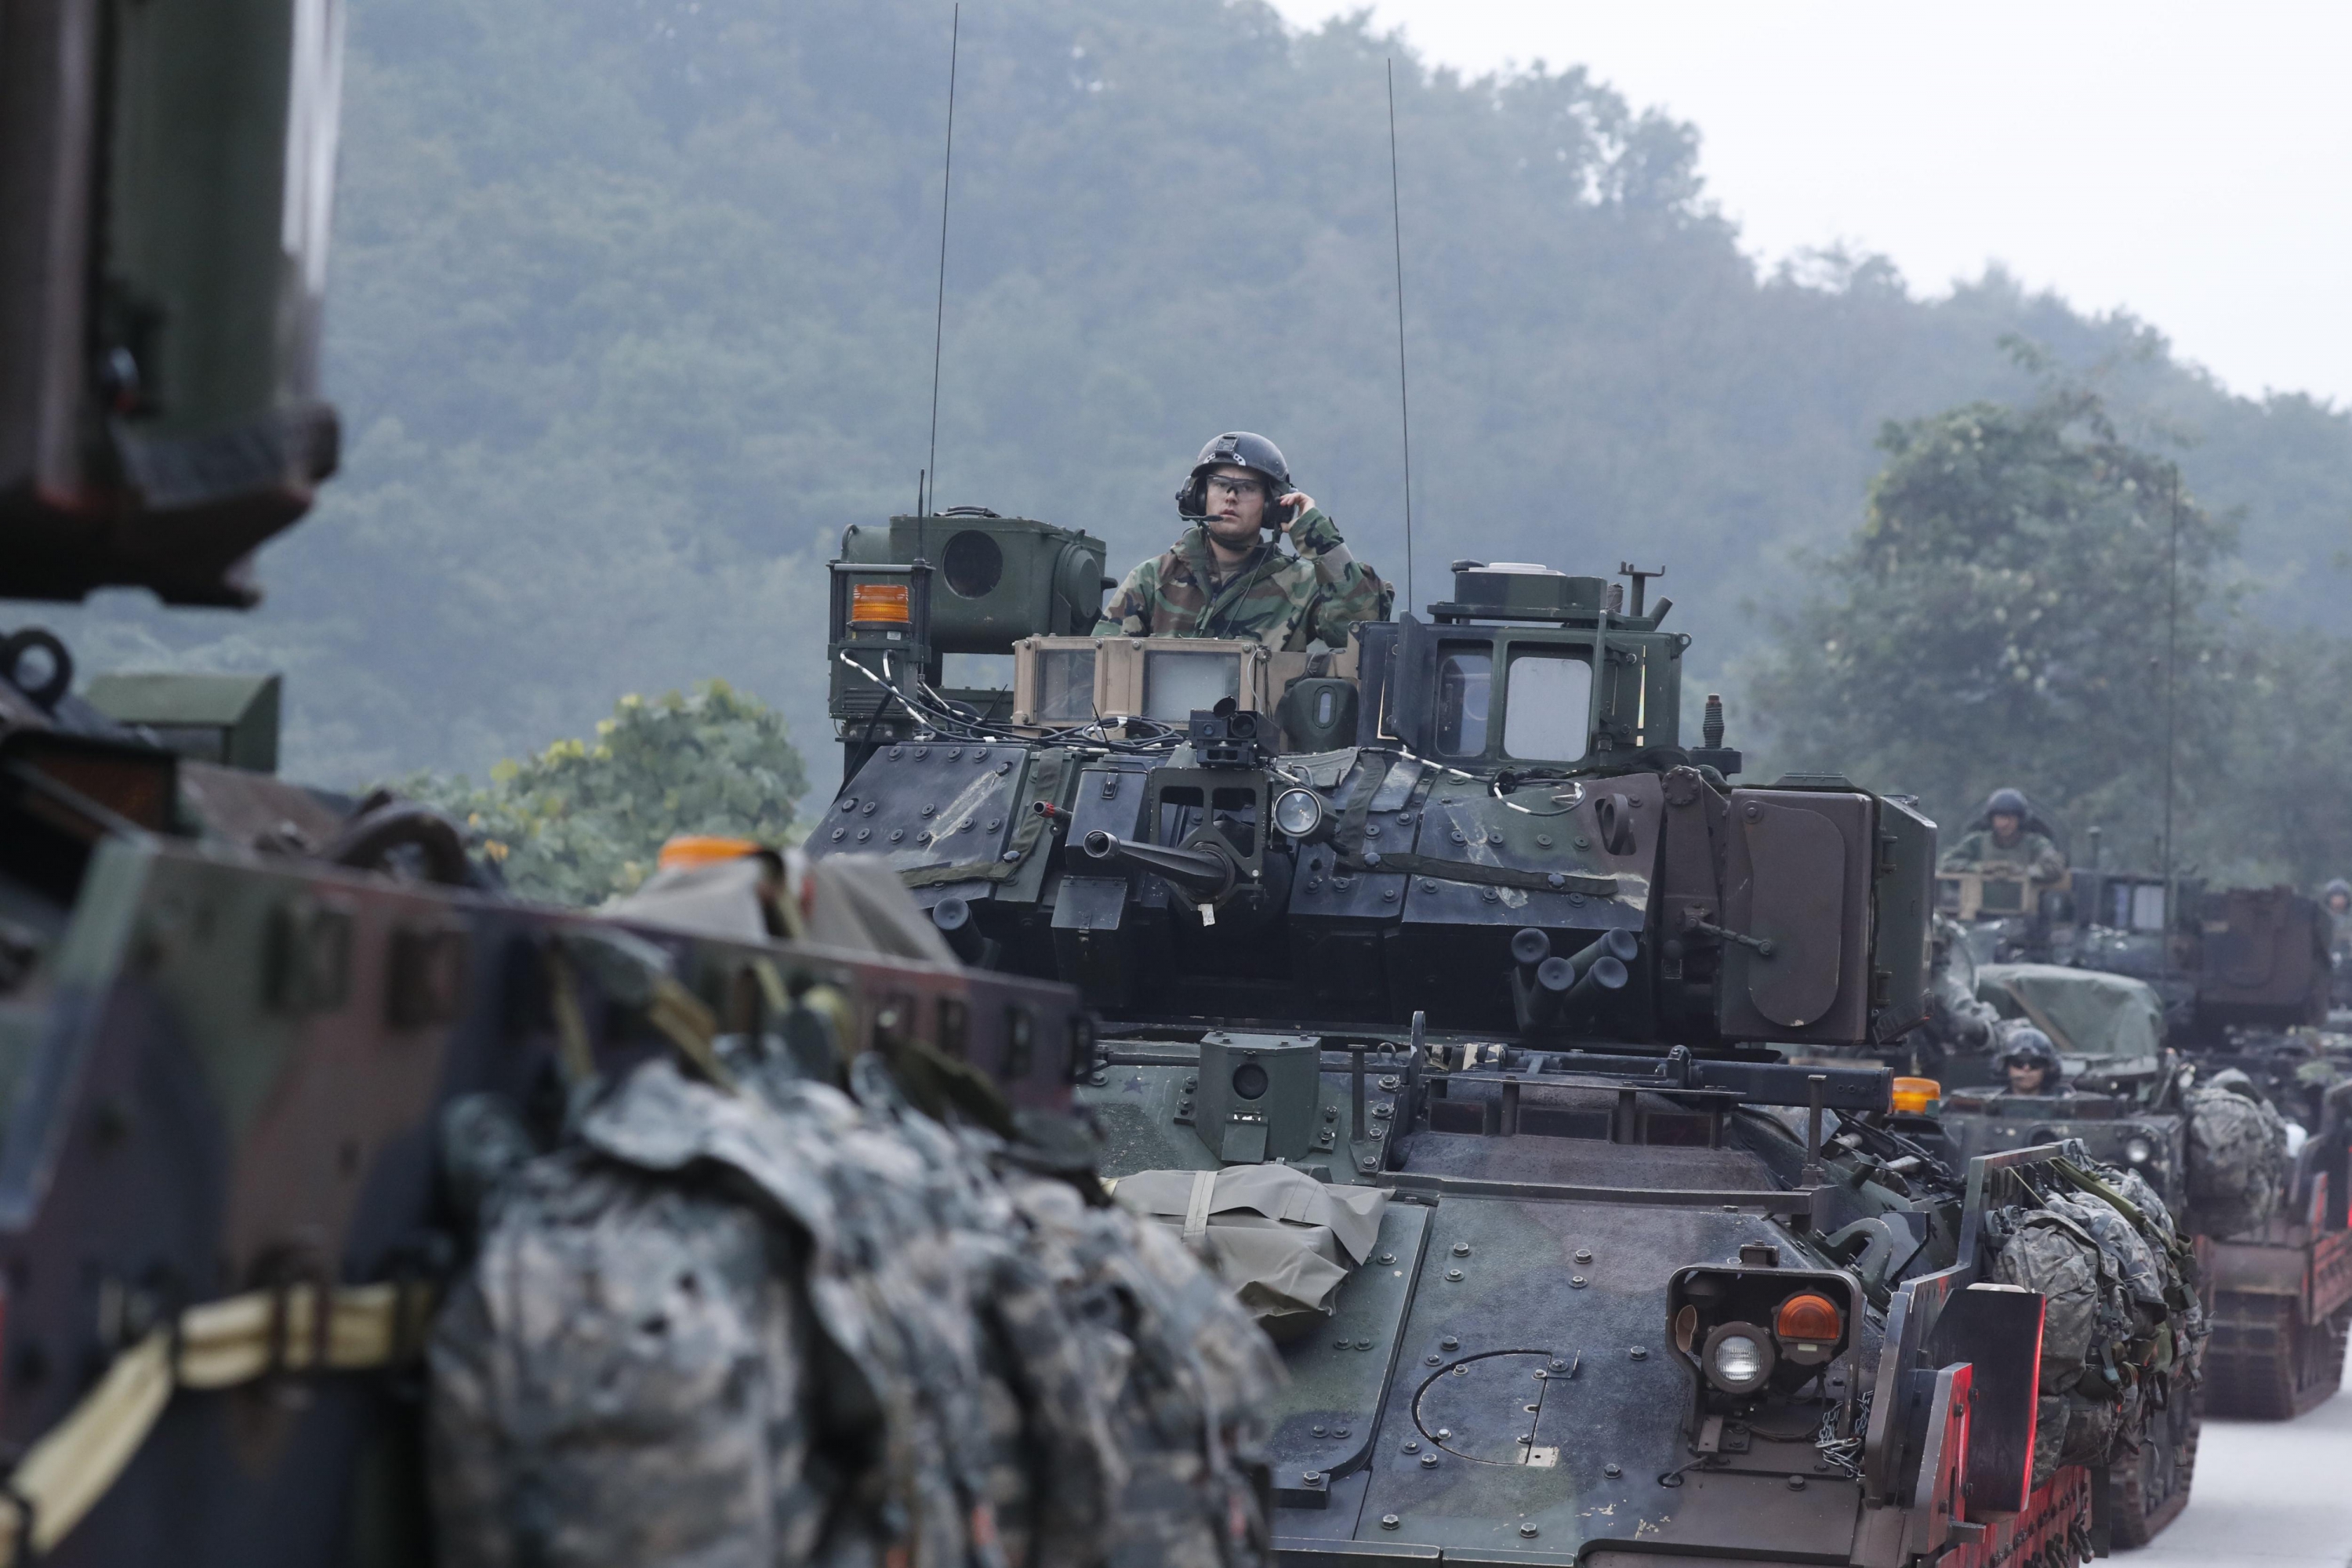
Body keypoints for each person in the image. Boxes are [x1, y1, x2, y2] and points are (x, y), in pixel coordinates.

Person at [1095, 431, 1392, 648]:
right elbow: (1100, 667)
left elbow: (1359, 631)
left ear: (1272, 503)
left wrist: (1320, 539)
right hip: (1158, 734)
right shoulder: (1153, 579)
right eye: (1221, 484)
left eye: (1247, 488)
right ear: (1200, 496)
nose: (1231, 497)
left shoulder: (1302, 586)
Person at [1940, 788, 2067, 884]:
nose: (2005, 824)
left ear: (2020, 820)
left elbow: (2055, 867)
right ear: (1991, 819)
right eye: (2000, 817)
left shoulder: (2035, 844)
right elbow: (1947, 863)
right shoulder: (1977, 842)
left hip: (2029, 910)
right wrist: (1981, 868)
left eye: (2010, 818)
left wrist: (2022, 872)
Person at [1996, 1027, 2063, 1096]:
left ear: (2046, 1068)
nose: (2026, 1068)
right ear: (2006, 1067)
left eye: (2035, 1063)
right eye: (2019, 1063)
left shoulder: (2064, 1104)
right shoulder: (1989, 1104)